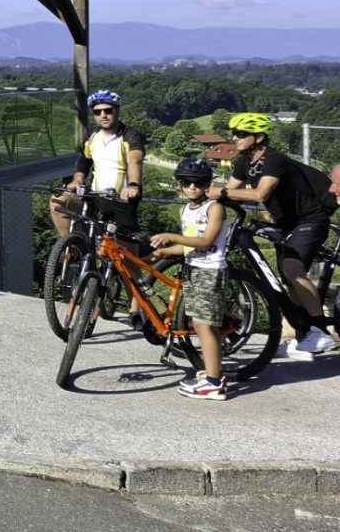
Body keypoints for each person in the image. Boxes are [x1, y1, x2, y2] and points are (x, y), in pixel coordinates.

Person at [211, 112, 339, 359]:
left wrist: (221, 193)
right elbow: (230, 190)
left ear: (259, 137)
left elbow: (260, 194)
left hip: (310, 220)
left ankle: (321, 331)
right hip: (286, 223)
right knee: (289, 282)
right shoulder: (244, 163)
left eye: (241, 134)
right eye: (233, 133)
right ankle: (302, 340)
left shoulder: (274, 159)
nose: (234, 137)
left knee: (292, 268)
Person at [149, 158, 228, 400]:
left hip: (210, 270)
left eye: (199, 183)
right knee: (200, 324)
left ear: (207, 185)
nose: (192, 187)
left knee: (205, 325)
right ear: (180, 184)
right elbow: (189, 246)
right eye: (186, 182)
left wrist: (171, 236)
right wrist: (163, 252)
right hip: (193, 268)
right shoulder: (184, 211)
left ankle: (214, 383)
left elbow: (206, 242)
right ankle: (213, 375)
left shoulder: (215, 208)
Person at [49, 90, 145, 240]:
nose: (103, 115)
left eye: (108, 110)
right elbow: (84, 160)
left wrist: (133, 185)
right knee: (58, 202)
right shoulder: (92, 135)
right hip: (93, 195)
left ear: (117, 110)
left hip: (120, 198)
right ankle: (69, 245)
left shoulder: (130, 135)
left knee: (125, 248)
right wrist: (77, 180)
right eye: (97, 112)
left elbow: (135, 160)